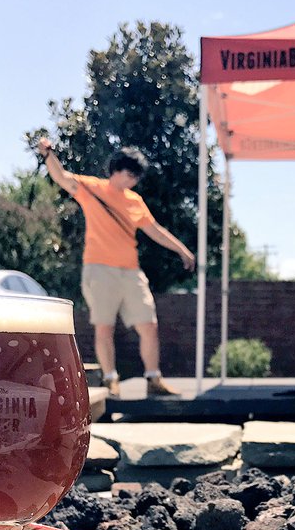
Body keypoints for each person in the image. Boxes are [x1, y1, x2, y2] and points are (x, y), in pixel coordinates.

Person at [37, 137, 195, 398]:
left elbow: (154, 230)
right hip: (99, 269)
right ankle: (111, 380)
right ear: (117, 170)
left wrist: (181, 249)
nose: (133, 181)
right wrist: (48, 154)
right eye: (130, 174)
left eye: (137, 177)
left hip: (131, 271)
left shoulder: (135, 200)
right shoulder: (92, 188)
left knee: (149, 325)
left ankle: (154, 378)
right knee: (104, 327)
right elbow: (61, 177)